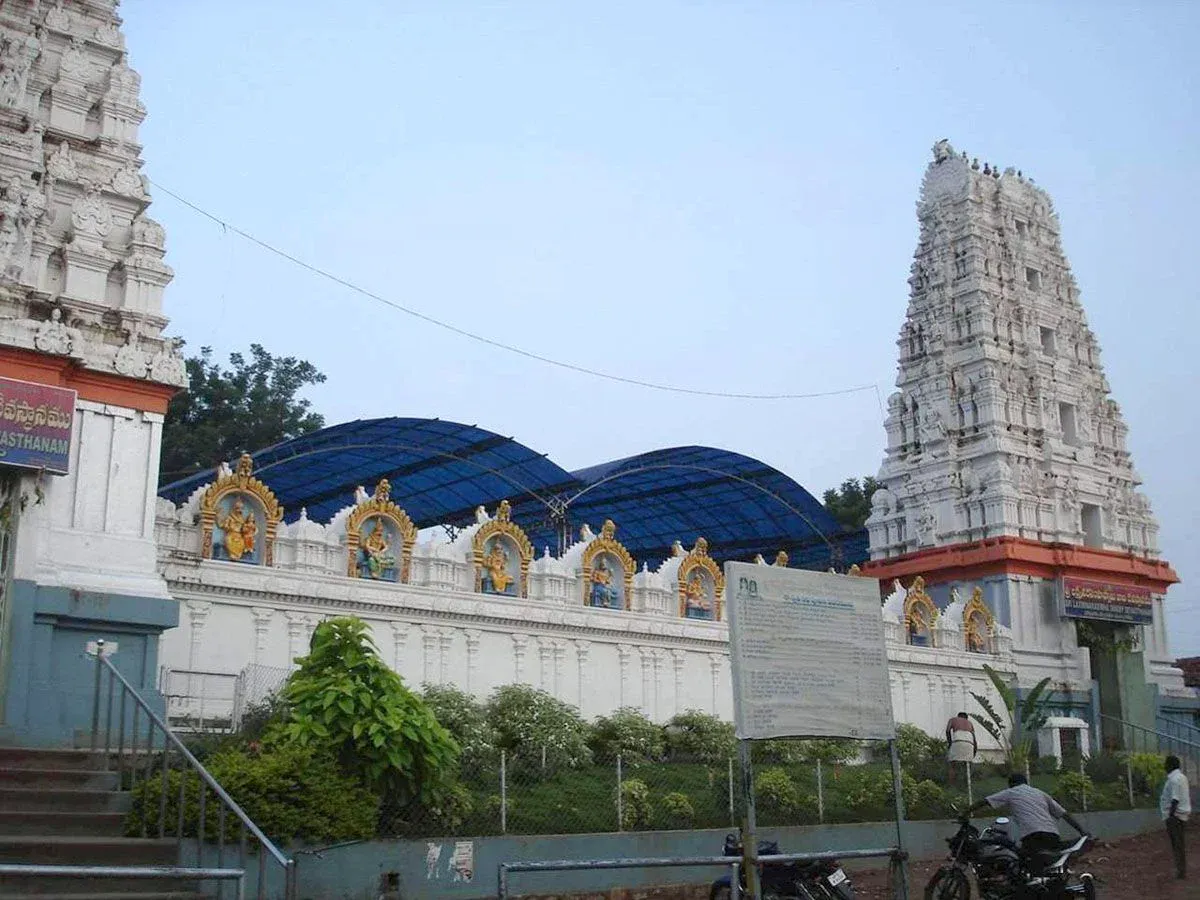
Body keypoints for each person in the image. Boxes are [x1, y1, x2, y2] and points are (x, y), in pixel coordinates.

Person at [964, 772, 1089, 856]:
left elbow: (984, 802)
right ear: (1026, 782)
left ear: (1011, 784)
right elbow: (1064, 814)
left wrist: (964, 813)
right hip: (1053, 835)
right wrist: (1082, 831)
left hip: (1032, 836)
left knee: (1020, 863)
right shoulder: (1040, 793)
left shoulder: (1011, 792)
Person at [1161, 754, 1190, 880]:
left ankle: (1180, 871)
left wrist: (1170, 815)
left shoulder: (1174, 779)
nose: (1164, 766)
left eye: (1166, 764)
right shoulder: (1182, 777)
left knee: (1177, 844)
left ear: (1170, 765)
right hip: (1180, 815)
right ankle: (1181, 870)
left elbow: (1175, 799)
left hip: (1175, 816)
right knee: (1179, 844)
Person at [945, 712, 977, 784]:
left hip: (957, 742)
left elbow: (947, 730)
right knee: (968, 765)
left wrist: (950, 743)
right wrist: (974, 750)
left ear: (958, 716)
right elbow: (974, 739)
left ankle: (951, 784)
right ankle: (967, 784)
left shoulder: (953, 719)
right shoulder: (970, 723)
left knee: (952, 765)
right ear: (966, 718)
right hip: (969, 743)